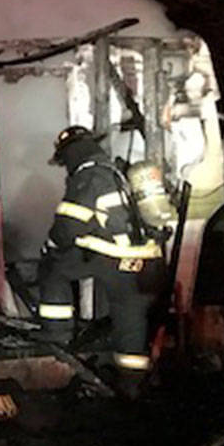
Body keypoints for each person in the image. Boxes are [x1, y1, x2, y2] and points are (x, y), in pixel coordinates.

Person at [36, 125, 166, 396]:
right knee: (130, 320)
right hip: (147, 264)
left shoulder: (90, 176)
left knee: (53, 266)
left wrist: (50, 245)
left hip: (114, 260)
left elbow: (67, 227)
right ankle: (132, 384)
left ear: (72, 154)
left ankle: (56, 335)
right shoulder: (118, 171)